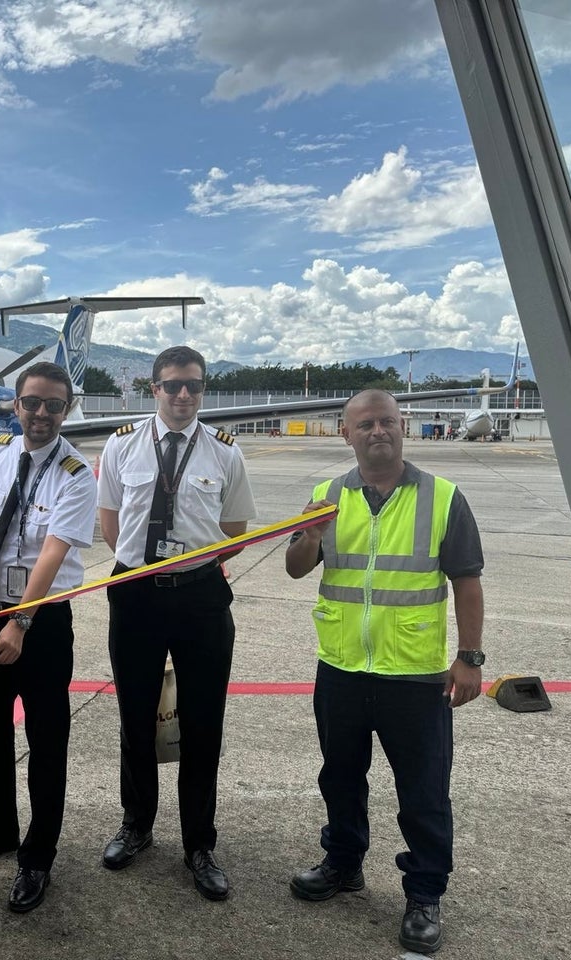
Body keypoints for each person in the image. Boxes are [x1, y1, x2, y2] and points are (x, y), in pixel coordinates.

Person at [285, 389, 485, 955]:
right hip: (342, 667)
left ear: (404, 429)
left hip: (415, 675)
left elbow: (468, 583)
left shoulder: (443, 498)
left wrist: (469, 659)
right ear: (345, 434)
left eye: (389, 423)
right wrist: (312, 534)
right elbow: (296, 568)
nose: (379, 431)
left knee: (423, 792)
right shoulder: (327, 495)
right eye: (366, 424)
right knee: (340, 778)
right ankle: (343, 863)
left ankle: (424, 893)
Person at [95, 345, 257, 901]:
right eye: (172, 385)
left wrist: (189, 567)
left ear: (202, 389)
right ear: (154, 388)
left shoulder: (225, 454)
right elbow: (111, 523)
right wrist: (148, 570)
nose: (183, 394)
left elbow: (233, 528)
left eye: (193, 385)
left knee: (204, 721)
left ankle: (199, 842)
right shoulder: (120, 447)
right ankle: (137, 824)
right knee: (134, 717)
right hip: (136, 593)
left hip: (201, 597)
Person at [0, 361, 97, 914]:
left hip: (42, 619)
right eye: (32, 402)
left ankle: (38, 855)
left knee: (47, 736)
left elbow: (54, 551)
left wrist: (23, 620)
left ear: (66, 409)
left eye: (53, 405)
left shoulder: (77, 473)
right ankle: (1, 825)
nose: (40, 413)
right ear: (16, 402)